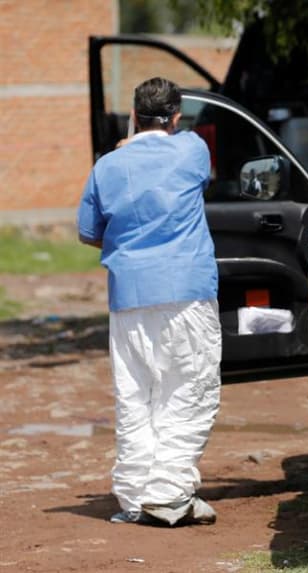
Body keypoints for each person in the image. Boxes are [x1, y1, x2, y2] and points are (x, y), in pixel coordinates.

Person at [77, 77, 222, 526]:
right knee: (190, 390)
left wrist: (125, 149)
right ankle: (168, 492)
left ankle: (135, 496)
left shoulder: (107, 167)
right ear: (176, 117)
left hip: (128, 296)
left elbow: (89, 232)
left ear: (132, 115)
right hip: (186, 293)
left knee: (136, 396)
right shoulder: (192, 150)